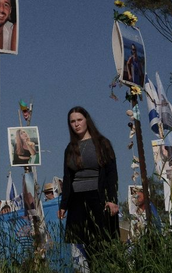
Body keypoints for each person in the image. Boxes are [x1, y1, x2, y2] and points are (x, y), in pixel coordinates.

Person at [57, 106, 118, 262]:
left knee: (101, 243)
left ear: (86, 120)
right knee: (80, 246)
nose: (76, 124)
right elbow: (67, 177)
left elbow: (112, 174)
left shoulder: (103, 143)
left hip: (97, 198)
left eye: (79, 120)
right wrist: (63, 205)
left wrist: (112, 199)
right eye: (72, 121)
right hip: (77, 200)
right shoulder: (69, 149)